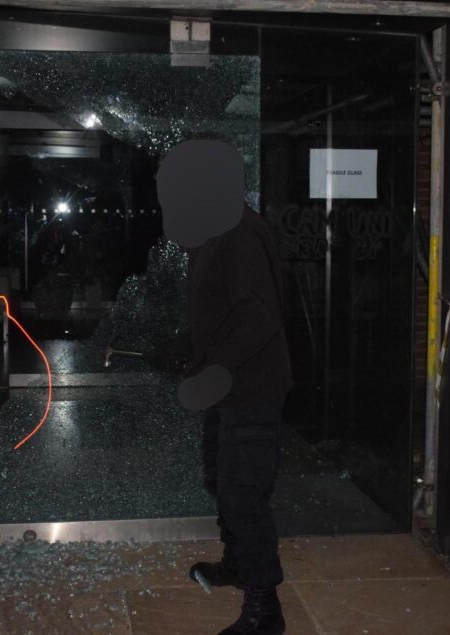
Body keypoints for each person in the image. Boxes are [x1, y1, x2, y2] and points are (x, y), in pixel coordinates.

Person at [156, 140, 292, 635]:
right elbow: (224, 310)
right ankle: (238, 565)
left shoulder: (239, 233)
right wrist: (188, 351)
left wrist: (212, 370)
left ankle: (264, 610)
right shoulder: (215, 229)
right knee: (223, 482)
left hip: (250, 388)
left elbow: (259, 318)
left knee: (244, 496)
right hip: (227, 387)